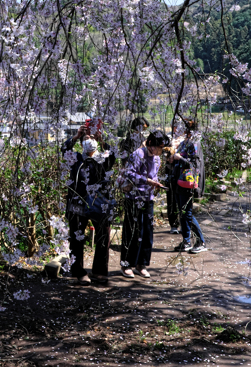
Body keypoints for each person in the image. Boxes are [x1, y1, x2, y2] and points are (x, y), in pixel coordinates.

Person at [62, 122, 116, 284]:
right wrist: (76, 136)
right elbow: (64, 150)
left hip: (100, 203)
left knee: (103, 236)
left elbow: (114, 154)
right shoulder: (76, 159)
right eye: (86, 138)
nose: (89, 140)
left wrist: (102, 141)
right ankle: (78, 272)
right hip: (78, 203)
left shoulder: (103, 158)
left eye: (92, 137)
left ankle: (100, 271)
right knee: (76, 237)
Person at [120, 130, 169, 278]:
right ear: (150, 144)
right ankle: (126, 264)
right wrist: (147, 181)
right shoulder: (138, 155)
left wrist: (155, 184)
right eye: (159, 147)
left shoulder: (157, 159)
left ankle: (142, 264)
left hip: (148, 198)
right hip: (134, 197)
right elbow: (129, 173)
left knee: (147, 232)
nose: (161, 151)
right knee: (132, 231)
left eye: (162, 148)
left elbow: (153, 175)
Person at [172, 118, 206, 253]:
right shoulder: (183, 142)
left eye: (181, 127)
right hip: (179, 181)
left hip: (188, 182)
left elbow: (194, 164)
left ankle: (201, 241)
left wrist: (179, 158)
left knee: (188, 213)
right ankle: (186, 241)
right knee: (182, 212)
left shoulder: (194, 143)